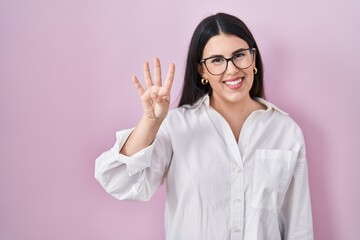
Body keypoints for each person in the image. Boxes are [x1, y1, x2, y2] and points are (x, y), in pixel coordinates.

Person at [95, 12, 314, 240]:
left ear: (253, 58)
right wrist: (151, 121)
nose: (231, 70)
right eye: (217, 60)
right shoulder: (178, 126)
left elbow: (299, 225)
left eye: (239, 55)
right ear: (202, 71)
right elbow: (118, 180)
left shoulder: (286, 132)